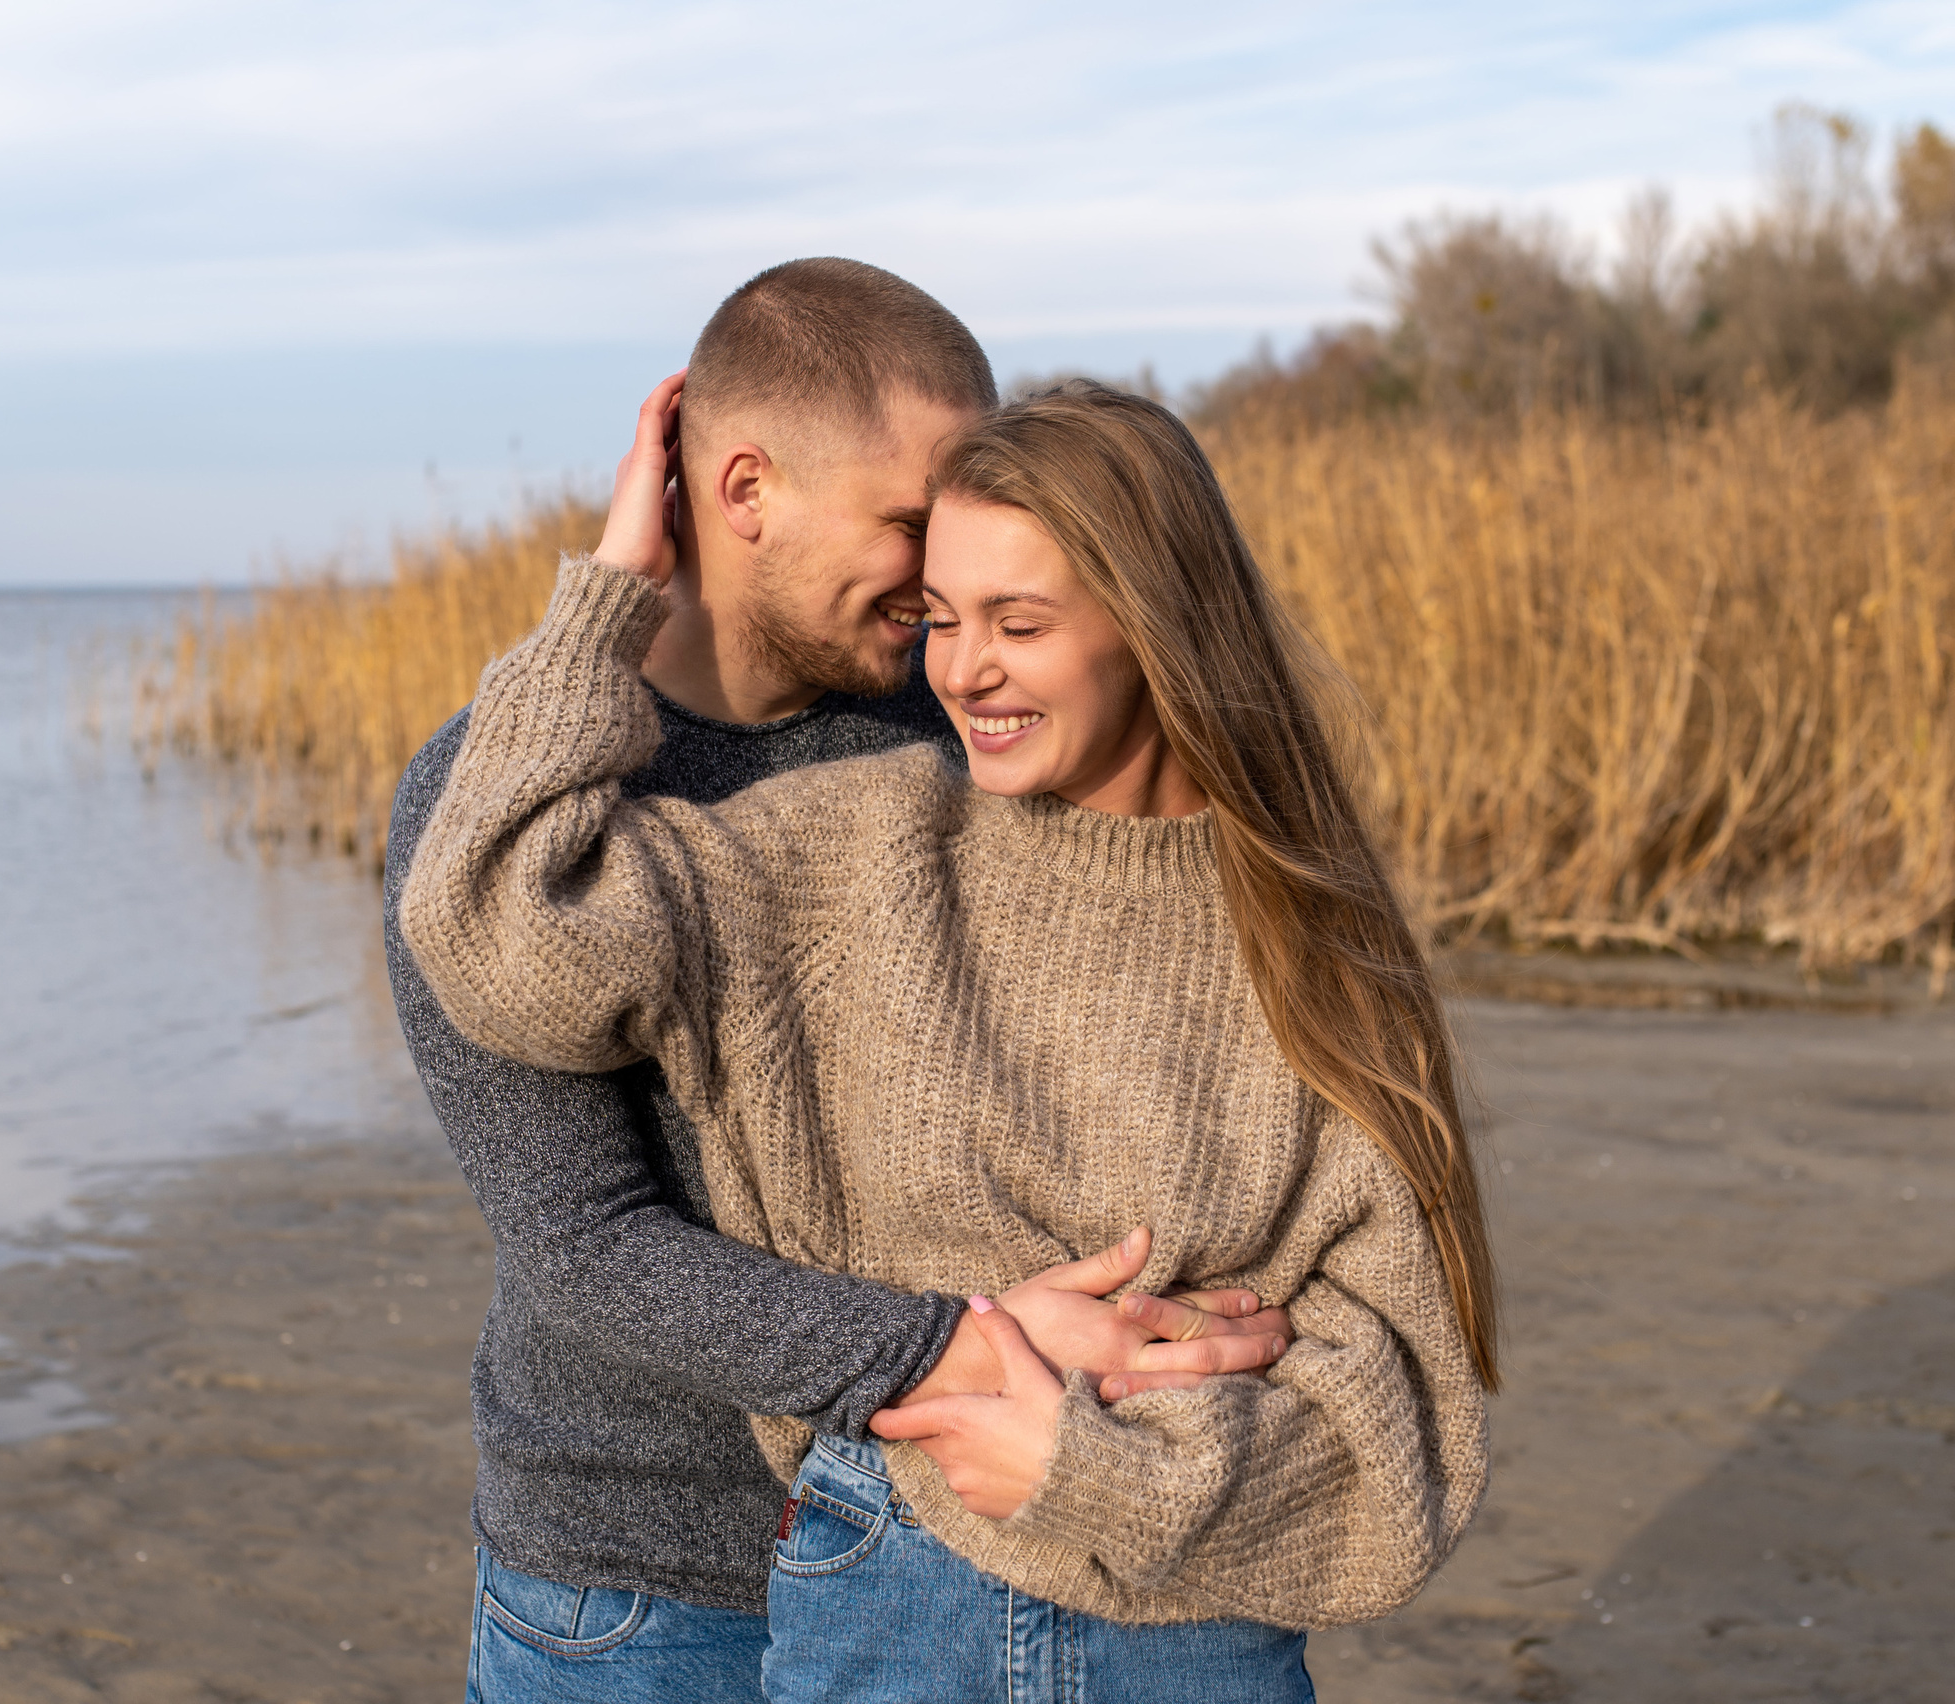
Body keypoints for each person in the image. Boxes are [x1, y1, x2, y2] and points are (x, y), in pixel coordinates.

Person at [399, 374, 1497, 1701]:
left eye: (1016, 622)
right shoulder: (861, 848)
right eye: (940, 618)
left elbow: (1405, 1423)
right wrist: (611, 600)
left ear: (1157, 628)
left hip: (1200, 1626)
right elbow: (496, 934)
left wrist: (1097, 1470)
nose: (960, 670)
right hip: (892, 1588)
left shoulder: (1313, 937)